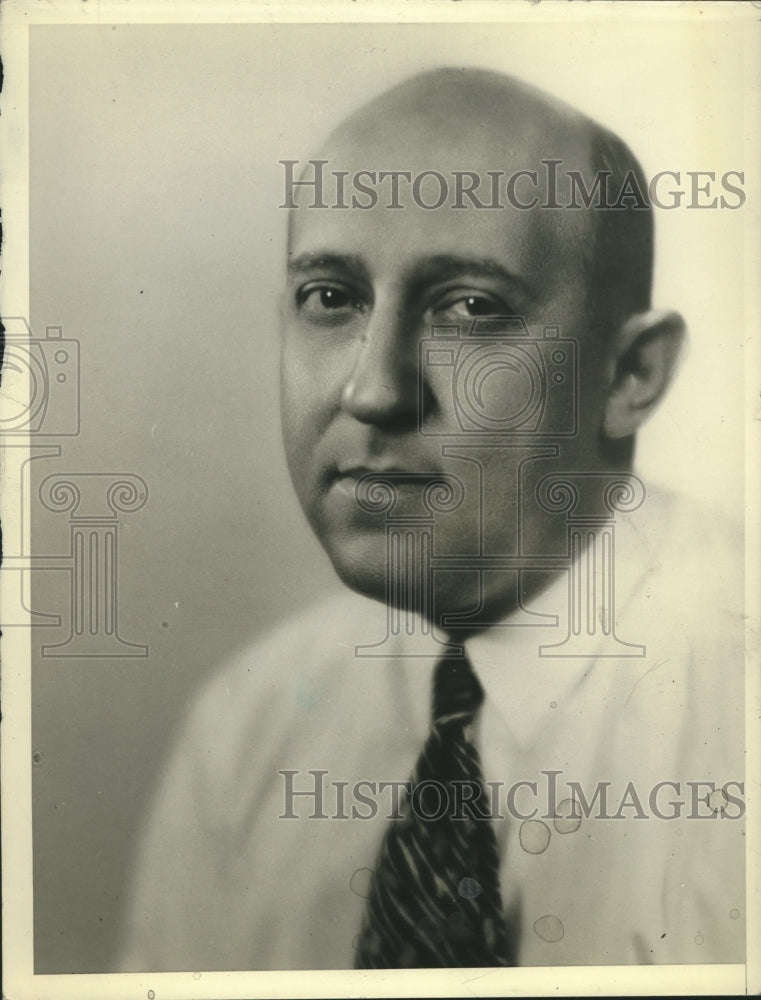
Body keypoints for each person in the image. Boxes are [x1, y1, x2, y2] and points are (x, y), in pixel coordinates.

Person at [118, 68, 745, 970]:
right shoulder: (248, 731)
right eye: (331, 298)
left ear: (628, 375)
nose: (372, 391)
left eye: (469, 308)